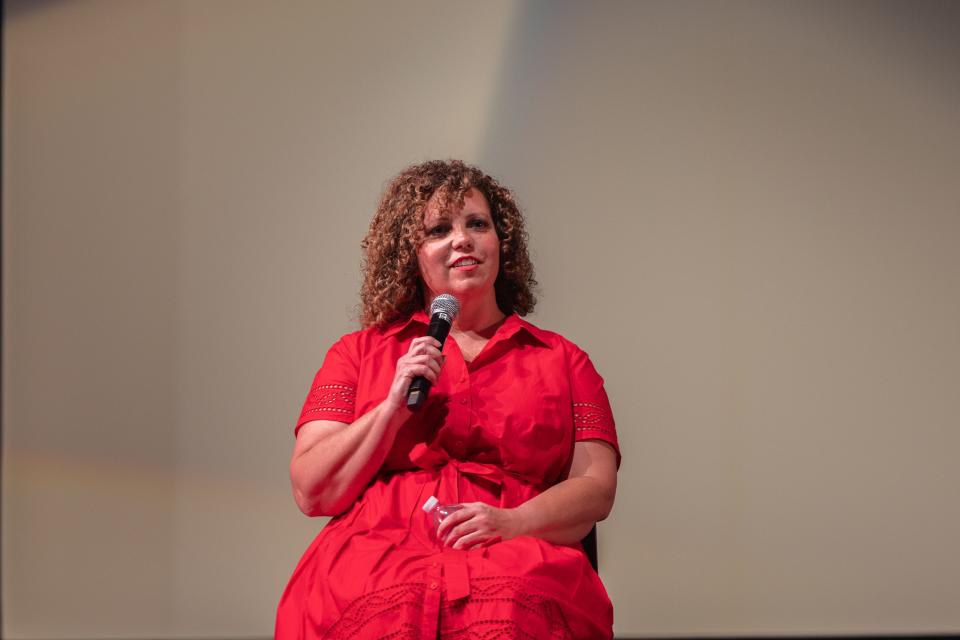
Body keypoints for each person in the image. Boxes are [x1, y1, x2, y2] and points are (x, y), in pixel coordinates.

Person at [276, 160, 620, 639]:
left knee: (516, 603)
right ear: (411, 254)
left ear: (502, 243)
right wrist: (391, 408)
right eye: (439, 229)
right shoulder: (356, 353)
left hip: (518, 556)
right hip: (374, 560)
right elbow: (313, 490)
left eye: (477, 224)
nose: (462, 239)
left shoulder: (564, 360)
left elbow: (596, 490)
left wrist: (513, 522)